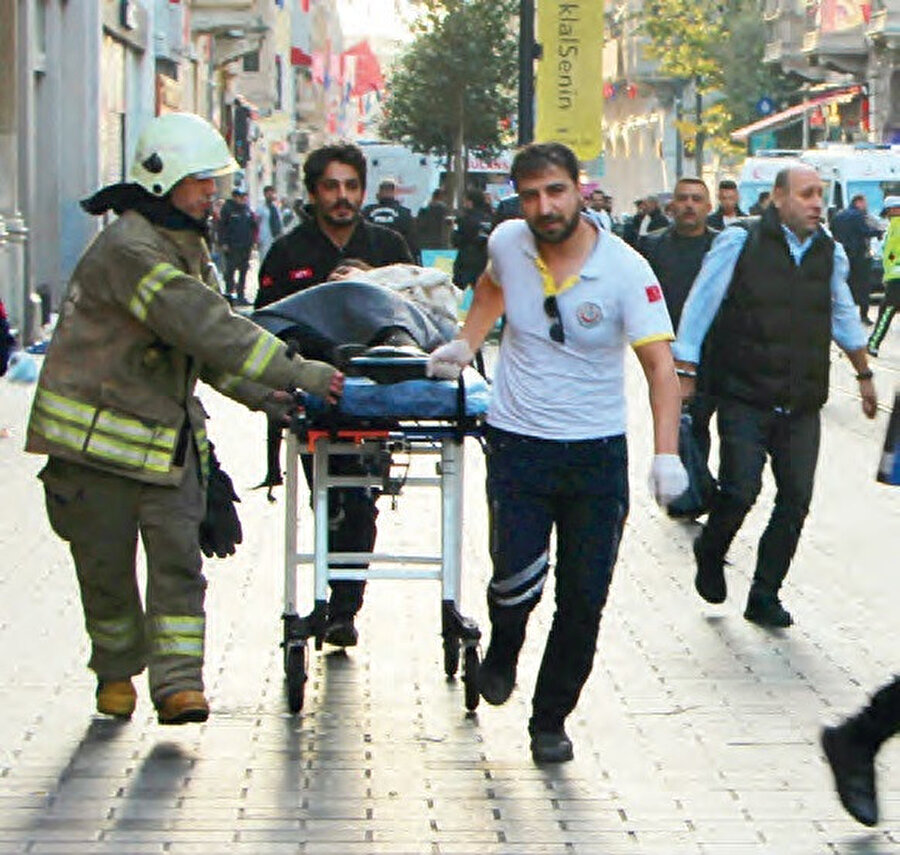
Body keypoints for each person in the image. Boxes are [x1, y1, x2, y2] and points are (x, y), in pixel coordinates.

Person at [25, 112, 343, 725]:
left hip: (165, 448)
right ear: (162, 179)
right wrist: (300, 373)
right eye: (202, 182)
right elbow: (206, 326)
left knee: (179, 569)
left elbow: (204, 350)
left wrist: (273, 400)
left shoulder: (182, 245)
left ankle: (178, 686)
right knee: (108, 576)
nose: (212, 194)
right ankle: (117, 671)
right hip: (96, 453)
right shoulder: (131, 250)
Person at [426, 142, 687, 763]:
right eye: (531, 195)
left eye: (556, 191)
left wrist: (666, 454)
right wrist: (466, 343)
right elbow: (491, 289)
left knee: (583, 598)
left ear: (580, 188)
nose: (544, 207)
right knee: (514, 580)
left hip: (595, 455)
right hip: (517, 444)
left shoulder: (627, 270)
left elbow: (659, 367)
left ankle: (550, 719)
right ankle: (504, 649)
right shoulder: (508, 241)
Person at [674, 166, 877, 628]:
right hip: (745, 393)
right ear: (778, 198)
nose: (815, 204)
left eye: (819, 195)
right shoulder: (739, 241)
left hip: (802, 400)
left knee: (795, 500)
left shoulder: (830, 251)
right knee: (741, 490)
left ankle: (764, 594)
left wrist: (863, 372)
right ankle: (712, 547)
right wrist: (684, 368)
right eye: (806, 194)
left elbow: (843, 314)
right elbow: (701, 304)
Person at [256, 142, 412, 648]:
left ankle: (344, 607)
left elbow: (417, 313)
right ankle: (332, 598)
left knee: (361, 497)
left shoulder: (389, 246)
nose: (342, 198)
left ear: (363, 190)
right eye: (331, 187)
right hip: (314, 396)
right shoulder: (287, 252)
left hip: (377, 396)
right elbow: (267, 323)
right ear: (314, 192)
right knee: (330, 496)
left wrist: (372, 286)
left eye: (351, 187)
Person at [642, 177, 719, 470]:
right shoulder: (652, 245)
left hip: (716, 349)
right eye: (683, 199)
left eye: (696, 199)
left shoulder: (722, 245)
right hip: (668, 351)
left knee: (704, 420)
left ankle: (699, 481)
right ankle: (686, 486)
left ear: (707, 207)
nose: (689, 205)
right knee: (681, 420)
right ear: (672, 205)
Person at [832, 193, 881, 325]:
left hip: (842, 255)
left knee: (844, 286)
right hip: (859, 256)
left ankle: (845, 316)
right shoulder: (858, 216)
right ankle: (863, 316)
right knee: (864, 286)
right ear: (858, 202)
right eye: (865, 203)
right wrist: (878, 232)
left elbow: (833, 232)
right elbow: (863, 231)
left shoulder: (838, 216)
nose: (866, 206)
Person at [868, 195, 900, 356]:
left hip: (896, 279)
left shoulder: (895, 227)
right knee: (885, 310)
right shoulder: (892, 227)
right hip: (893, 277)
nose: (887, 215)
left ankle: (873, 343)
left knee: (886, 311)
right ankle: (873, 343)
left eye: (888, 212)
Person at [362, 177, 418, 261]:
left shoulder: (366, 212)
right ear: (394, 193)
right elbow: (411, 242)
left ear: (378, 193)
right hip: (396, 262)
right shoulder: (405, 213)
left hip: (370, 261)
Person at [218, 187, 256, 305]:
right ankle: (230, 295)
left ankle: (241, 295)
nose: (242, 199)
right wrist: (223, 243)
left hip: (245, 245)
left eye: (244, 196)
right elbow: (222, 227)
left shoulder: (246, 209)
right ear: (234, 197)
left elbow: (252, 225)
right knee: (230, 271)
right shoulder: (228, 209)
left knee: (243, 271)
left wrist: (253, 241)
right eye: (240, 197)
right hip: (232, 245)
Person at [451, 188, 493, 289]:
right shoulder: (490, 218)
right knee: (482, 290)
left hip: (466, 259)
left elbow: (456, 240)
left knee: (456, 290)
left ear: (470, 202)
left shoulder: (464, 219)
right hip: (485, 259)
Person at [256, 184, 284, 263]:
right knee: (265, 259)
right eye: (269, 193)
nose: (271, 195)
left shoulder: (276, 207)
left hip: (276, 237)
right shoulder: (260, 208)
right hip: (264, 238)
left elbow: (280, 221)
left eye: (272, 193)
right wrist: (256, 238)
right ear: (265, 194)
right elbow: (256, 223)